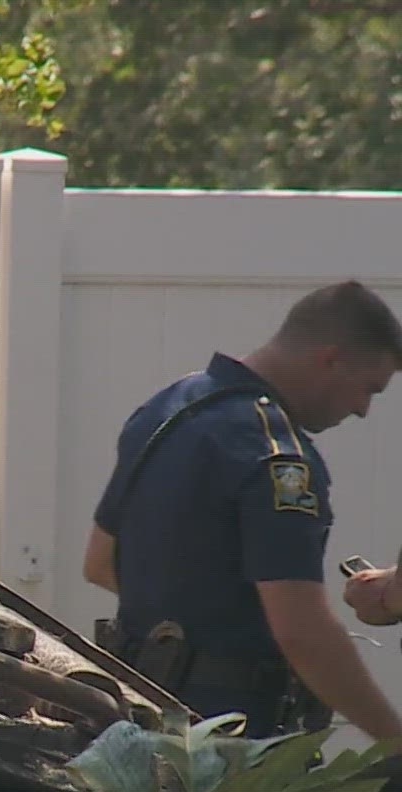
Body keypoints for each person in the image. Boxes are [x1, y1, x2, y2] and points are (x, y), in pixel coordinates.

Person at [82, 280, 402, 748]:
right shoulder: (275, 457)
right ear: (330, 359)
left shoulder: (169, 408)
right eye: (367, 390)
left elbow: (101, 562)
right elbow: (303, 632)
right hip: (230, 745)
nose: (362, 410)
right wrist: (393, 738)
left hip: (137, 722)